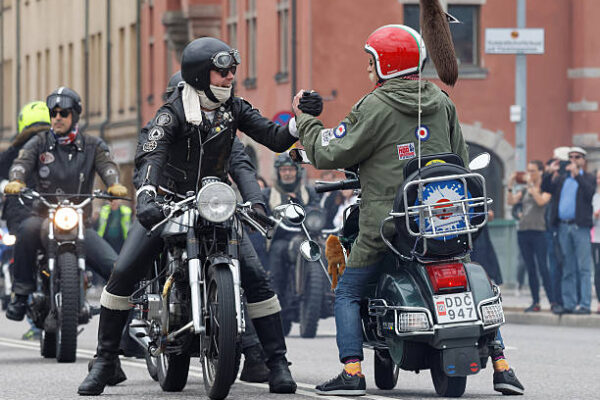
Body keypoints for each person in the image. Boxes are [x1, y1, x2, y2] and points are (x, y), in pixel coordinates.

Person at [292, 24, 523, 396]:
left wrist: (305, 120)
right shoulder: (442, 100)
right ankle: (502, 366)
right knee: (467, 274)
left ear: (385, 64)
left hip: (389, 224)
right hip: (442, 220)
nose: (368, 69)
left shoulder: (374, 105)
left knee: (348, 291)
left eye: (371, 62)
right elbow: (460, 160)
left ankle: (352, 372)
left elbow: (329, 152)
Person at [78, 37, 299, 396]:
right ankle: (104, 362)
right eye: (222, 71)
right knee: (123, 272)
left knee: (258, 277)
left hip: (215, 206)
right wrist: (147, 195)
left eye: (232, 71)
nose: (230, 77)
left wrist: (298, 122)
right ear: (200, 74)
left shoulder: (234, 109)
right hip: (169, 206)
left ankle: (277, 364)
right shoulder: (172, 113)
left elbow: (273, 138)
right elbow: (152, 154)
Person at [4, 87, 128, 323]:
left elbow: (108, 165)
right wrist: (17, 180)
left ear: (75, 116)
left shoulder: (93, 144)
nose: (57, 117)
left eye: (63, 113)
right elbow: (21, 162)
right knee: (26, 229)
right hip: (43, 217)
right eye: (53, 113)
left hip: (81, 222)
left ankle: (124, 331)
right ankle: (21, 293)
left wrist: (113, 184)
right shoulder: (39, 143)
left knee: (115, 269)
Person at [0, 100, 51, 340]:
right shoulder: (59, 145)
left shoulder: (12, 152)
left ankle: (23, 300)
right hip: (53, 208)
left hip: (21, 212)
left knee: (23, 255)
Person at [542, 146, 595, 314]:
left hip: (580, 228)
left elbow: (589, 192)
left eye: (577, 156)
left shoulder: (588, 177)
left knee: (584, 268)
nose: (573, 159)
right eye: (571, 156)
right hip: (563, 227)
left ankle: (585, 304)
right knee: (568, 267)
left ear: (583, 161)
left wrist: (577, 174)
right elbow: (546, 188)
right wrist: (549, 173)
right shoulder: (562, 179)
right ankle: (569, 303)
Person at [263, 153, 318, 297]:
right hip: (281, 238)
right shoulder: (268, 194)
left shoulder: (308, 192)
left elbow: (316, 211)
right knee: (277, 256)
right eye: (283, 170)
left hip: (306, 237)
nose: (287, 173)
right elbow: (263, 216)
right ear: (278, 172)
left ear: (297, 171)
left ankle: (322, 293)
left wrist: (299, 200)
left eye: (291, 169)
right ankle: (277, 297)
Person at [507, 161, 555, 311]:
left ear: (540, 172)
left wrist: (531, 186)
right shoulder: (525, 189)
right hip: (523, 231)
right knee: (530, 268)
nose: (530, 174)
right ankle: (536, 302)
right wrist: (510, 184)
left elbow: (541, 202)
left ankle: (553, 301)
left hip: (539, 232)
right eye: (528, 171)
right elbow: (511, 201)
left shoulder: (545, 188)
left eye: (533, 171)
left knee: (543, 267)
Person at [590, 169, 600, 314]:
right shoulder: (594, 196)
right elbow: (590, 219)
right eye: (598, 177)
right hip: (597, 238)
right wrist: (595, 216)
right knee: (598, 271)